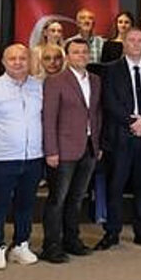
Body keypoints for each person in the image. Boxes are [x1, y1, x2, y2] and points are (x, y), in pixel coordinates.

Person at [97, 28, 141, 250]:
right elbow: (109, 101)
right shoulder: (110, 70)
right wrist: (132, 122)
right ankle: (112, 232)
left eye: (140, 40)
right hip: (120, 136)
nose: (136, 44)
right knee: (115, 186)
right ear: (124, 43)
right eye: (132, 40)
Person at [0, 44, 44, 270]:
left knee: (26, 204)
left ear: (29, 61)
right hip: (3, 157)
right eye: (12, 59)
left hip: (33, 156)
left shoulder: (39, 86)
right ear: (4, 62)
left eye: (22, 58)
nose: (18, 62)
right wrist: (4, 140)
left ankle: (21, 244)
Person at [40, 38, 103, 263]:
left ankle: (71, 240)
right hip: (63, 149)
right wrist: (51, 150)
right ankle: (51, 245)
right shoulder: (55, 81)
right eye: (76, 52)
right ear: (67, 56)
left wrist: (98, 144)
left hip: (89, 148)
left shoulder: (95, 80)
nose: (81, 56)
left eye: (84, 52)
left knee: (76, 199)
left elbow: (97, 114)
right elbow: (48, 118)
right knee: (57, 199)